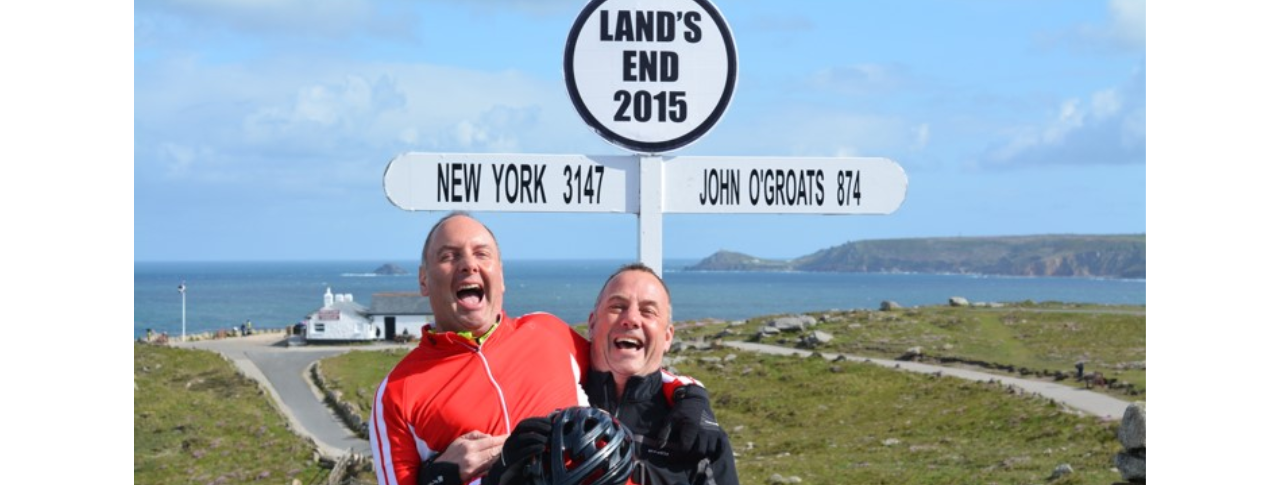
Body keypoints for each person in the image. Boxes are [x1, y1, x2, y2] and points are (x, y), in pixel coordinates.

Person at [370, 213, 715, 485]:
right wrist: (444, 478)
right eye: (449, 256)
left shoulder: (545, 331)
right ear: (423, 280)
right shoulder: (397, 393)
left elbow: (626, 363)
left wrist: (688, 392)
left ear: (501, 276)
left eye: (481, 254)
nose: (468, 265)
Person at [489, 263, 738, 485]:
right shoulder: (548, 401)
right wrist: (499, 475)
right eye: (617, 306)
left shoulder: (694, 429)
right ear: (592, 324)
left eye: (648, 311)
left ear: (667, 337)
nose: (631, 319)